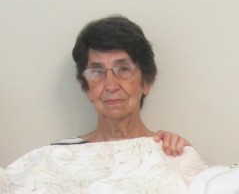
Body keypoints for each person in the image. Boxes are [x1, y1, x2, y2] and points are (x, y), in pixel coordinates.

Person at [52, 15, 190, 156]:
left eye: (123, 69)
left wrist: (183, 158)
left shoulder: (170, 153)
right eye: (97, 72)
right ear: (86, 86)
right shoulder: (58, 159)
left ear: (147, 81)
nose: (111, 86)